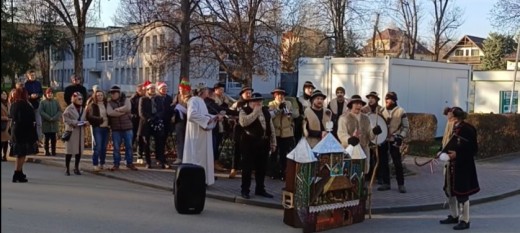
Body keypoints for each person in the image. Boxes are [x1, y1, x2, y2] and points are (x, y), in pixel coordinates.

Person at [438, 107, 479, 230]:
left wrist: (457, 155)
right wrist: (440, 152)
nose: (447, 118)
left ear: (456, 117)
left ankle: (465, 220)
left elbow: (473, 150)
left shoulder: (468, 129)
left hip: (463, 166)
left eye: (449, 116)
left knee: (462, 193)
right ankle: (454, 215)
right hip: (450, 165)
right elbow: (446, 143)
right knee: (450, 191)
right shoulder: (451, 126)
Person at [239, 92, 276, 199]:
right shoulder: (244, 110)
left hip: (263, 142)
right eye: (255, 101)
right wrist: (255, 112)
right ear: (250, 102)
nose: (258, 103)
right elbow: (243, 122)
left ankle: (260, 189)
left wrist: (273, 142)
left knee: (262, 168)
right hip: (249, 142)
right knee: (247, 168)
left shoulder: (265, 111)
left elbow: (271, 127)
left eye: (260, 101)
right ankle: (245, 190)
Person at [183, 85, 222, 186]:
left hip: (203, 134)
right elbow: (191, 115)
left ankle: (202, 179)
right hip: (196, 135)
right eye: (206, 90)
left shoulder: (201, 101)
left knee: (203, 156)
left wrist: (214, 117)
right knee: (197, 156)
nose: (207, 92)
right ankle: (196, 180)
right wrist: (207, 120)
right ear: (201, 92)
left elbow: (204, 115)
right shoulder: (193, 100)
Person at [337, 95, 382, 173]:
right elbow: (341, 133)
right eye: (356, 104)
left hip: (363, 150)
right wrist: (349, 139)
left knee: (362, 172)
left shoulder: (366, 118)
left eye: (360, 104)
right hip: (349, 150)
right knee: (349, 171)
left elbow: (370, 136)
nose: (359, 106)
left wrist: (374, 132)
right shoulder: (344, 118)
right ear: (351, 105)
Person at [377, 91, 409, 193]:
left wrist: (401, 136)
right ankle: (386, 183)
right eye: (386, 98)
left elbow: (406, 126)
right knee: (383, 162)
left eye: (389, 99)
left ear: (394, 100)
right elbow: (378, 124)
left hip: (395, 139)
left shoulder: (401, 111)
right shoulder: (381, 111)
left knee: (397, 162)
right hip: (383, 140)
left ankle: (401, 184)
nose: (387, 100)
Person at [267, 87, 297, 181]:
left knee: (284, 154)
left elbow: (293, 116)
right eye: (278, 94)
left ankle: (284, 172)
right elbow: (270, 116)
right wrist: (278, 109)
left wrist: (289, 113)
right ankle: (273, 172)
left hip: (286, 133)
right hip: (275, 132)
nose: (280, 96)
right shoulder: (271, 104)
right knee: (274, 153)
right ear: (275, 95)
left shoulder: (288, 103)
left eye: (282, 94)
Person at [10, 87, 39, 182]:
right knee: (21, 154)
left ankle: (19, 173)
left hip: (16, 131)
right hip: (24, 132)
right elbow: (29, 119)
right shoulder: (25, 105)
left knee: (20, 154)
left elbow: (13, 117)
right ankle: (17, 173)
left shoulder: (14, 104)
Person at [107, 86, 138, 171]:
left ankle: (129, 163)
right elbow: (110, 113)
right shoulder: (109, 103)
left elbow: (128, 108)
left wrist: (117, 109)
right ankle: (116, 164)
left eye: (114, 93)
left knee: (129, 146)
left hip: (127, 127)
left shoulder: (126, 100)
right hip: (116, 128)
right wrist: (123, 112)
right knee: (116, 147)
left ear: (118, 93)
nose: (112, 95)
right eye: (111, 93)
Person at [227, 86, 253, 178]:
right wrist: (233, 119)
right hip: (238, 129)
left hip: (250, 130)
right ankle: (234, 169)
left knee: (248, 151)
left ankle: (247, 170)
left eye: (250, 93)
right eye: (247, 93)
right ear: (242, 94)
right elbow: (229, 114)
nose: (249, 95)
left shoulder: (253, 103)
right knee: (236, 150)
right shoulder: (237, 104)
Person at [63, 92, 89, 176]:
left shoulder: (83, 109)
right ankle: (67, 168)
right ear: (74, 99)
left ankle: (76, 167)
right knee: (69, 151)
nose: (81, 101)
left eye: (82, 99)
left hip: (80, 132)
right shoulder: (69, 108)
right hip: (72, 131)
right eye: (79, 99)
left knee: (79, 151)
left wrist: (85, 123)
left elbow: (84, 118)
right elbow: (65, 119)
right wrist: (75, 122)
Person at [361, 91, 384, 183]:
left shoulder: (381, 110)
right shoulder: (364, 110)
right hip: (368, 136)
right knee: (369, 158)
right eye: (369, 98)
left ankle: (379, 177)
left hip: (378, 137)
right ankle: (368, 176)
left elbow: (384, 123)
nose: (370, 100)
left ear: (376, 99)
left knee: (379, 158)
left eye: (372, 98)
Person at [86, 90, 109, 172]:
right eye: (98, 95)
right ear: (95, 96)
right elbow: (90, 116)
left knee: (104, 147)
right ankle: (95, 164)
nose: (100, 97)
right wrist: (100, 119)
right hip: (97, 127)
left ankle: (102, 163)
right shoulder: (93, 105)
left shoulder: (106, 104)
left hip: (106, 128)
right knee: (97, 147)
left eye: (101, 95)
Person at [171, 78, 191, 164]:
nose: (181, 91)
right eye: (179, 89)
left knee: (188, 139)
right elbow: (172, 105)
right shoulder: (177, 96)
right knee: (179, 139)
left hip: (188, 121)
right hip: (179, 120)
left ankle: (188, 158)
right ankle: (179, 157)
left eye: (183, 89)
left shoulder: (191, 98)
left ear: (187, 89)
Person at [39, 88, 62, 156]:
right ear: (46, 94)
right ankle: (46, 151)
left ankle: (53, 151)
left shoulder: (56, 102)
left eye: (51, 93)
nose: (50, 94)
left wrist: (55, 117)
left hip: (54, 123)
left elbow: (59, 110)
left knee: (53, 139)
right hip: (46, 123)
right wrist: (48, 118)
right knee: (46, 139)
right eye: (48, 93)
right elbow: (41, 111)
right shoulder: (43, 102)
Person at [24, 70, 43, 142]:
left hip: (37, 104)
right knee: (29, 123)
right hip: (29, 105)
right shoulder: (26, 84)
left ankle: (39, 139)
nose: (33, 76)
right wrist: (30, 96)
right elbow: (24, 95)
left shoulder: (38, 83)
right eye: (31, 75)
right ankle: (30, 140)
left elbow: (41, 93)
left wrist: (37, 95)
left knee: (39, 123)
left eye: (34, 75)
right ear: (28, 76)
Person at [130, 83, 146, 159]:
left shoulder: (145, 98)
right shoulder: (133, 99)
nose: (143, 91)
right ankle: (129, 154)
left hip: (142, 121)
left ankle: (140, 155)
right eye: (141, 90)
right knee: (132, 138)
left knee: (140, 138)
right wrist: (135, 116)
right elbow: (130, 111)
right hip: (134, 121)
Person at [1, 91, 10, 161]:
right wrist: (4, 118)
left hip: (8, 124)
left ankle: (5, 155)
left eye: (5, 94)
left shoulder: (8, 103)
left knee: (6, 141)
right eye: (3, 94)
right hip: (2, 124)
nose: (5, 95)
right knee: (1, 141)